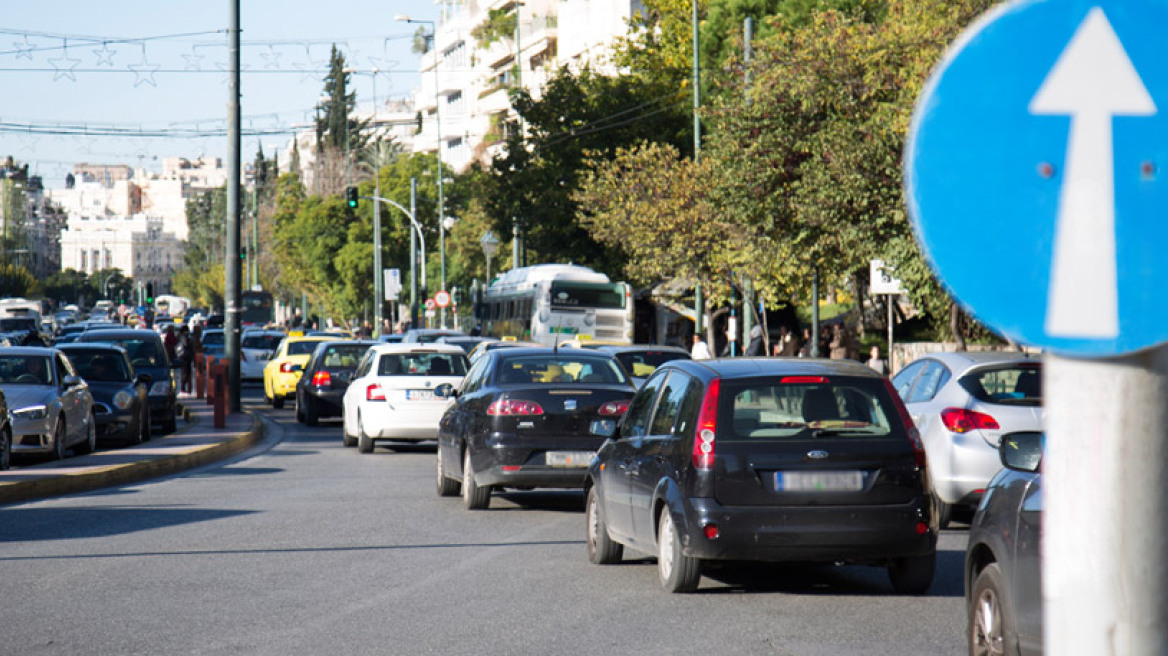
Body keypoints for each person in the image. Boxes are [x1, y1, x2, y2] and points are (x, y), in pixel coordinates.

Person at [176, 325, 193, 394]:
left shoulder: (180, 336)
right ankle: (183, 388)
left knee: (185, 372)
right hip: (185, 356)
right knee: (185, 372)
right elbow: (186, 344)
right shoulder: (184, 337)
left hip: (184, 356)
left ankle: (184, 387)